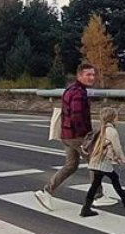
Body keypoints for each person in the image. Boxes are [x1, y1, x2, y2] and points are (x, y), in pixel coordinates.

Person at [36, 63, 113, 210]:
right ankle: (98, 196)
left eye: (93, 74)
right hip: (77, 135)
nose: (92, 77)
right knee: (95, 161)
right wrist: (85, 138)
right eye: (88, 74)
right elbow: (76, 116)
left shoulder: (70, 89)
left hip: (66, 135)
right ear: (79, 76)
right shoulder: (79, 93)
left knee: (71, 165)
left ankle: (46, 191)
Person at [80, 108, 125, 217]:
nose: (117, 119)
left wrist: (116, 158)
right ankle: (86, 208)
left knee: (110, 179)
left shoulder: (102, 128)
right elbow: (117, 147)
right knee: (102, 182)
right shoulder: (111, 131)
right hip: (102, 161)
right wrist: (122, 158)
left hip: (97, 159)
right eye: (116, 117)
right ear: (112, 118)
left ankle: (124, 198)